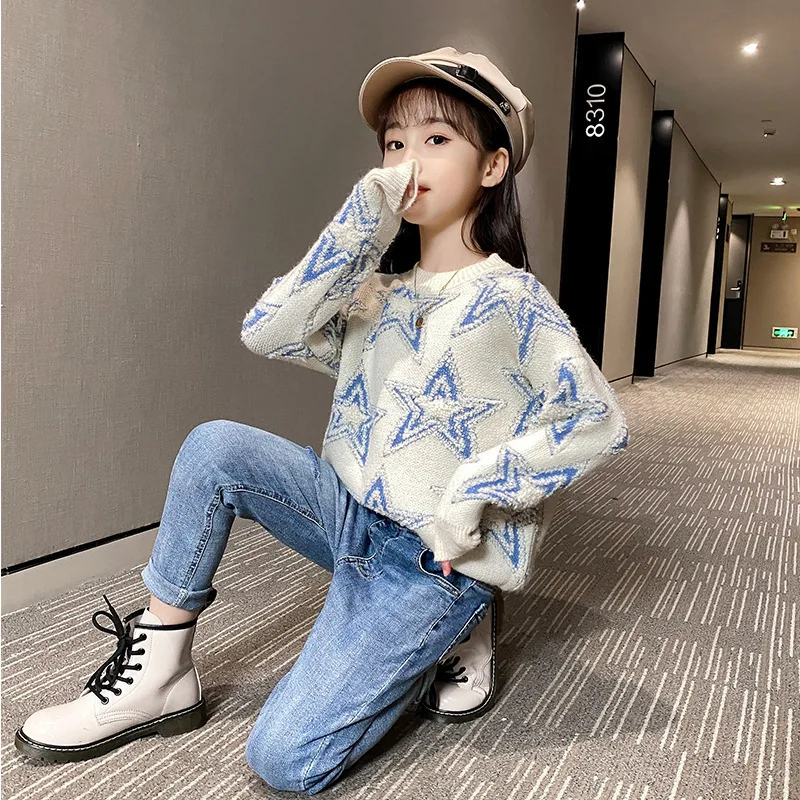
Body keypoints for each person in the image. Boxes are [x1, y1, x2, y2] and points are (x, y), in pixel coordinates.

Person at [14, 46, 629, 794]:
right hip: (345, 512)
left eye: (437, 139)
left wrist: (474, 493)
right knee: (215, 448)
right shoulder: (376, 293)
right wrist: (361, 225)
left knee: (285, 760)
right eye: (394, 144)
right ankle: (163, 670)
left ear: (493, 167)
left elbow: (596, 419)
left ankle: (461, 620)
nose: (408, 162)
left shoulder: (514, 300)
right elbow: (267, 330)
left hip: (432, 559)